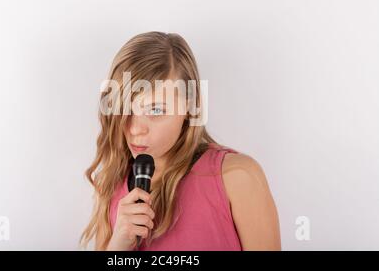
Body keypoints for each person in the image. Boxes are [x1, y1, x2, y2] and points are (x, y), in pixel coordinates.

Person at [80, 31, 281, 250]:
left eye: (155, 110)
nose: (135, 129)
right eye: (125, 109)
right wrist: (117, 247)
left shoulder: (237, 178)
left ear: (190, 105)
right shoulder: (111, 185)